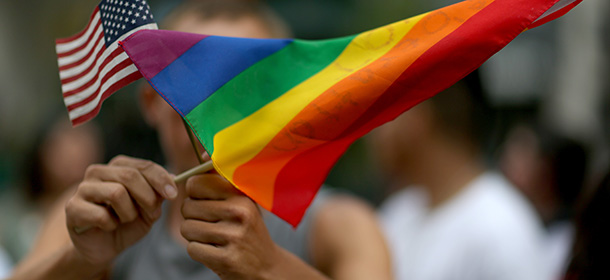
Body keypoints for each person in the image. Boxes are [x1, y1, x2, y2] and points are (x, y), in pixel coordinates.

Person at [9, 1, 391, 279]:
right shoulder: (98, 213)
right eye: (192, 84)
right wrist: (82, 260)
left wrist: (269, 267)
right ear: (150, 102)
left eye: (249, 85)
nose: (220, 110)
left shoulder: (338, 225)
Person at [371, 74, 549, 280]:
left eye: (384, 112)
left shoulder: (500, 229)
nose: (372, 131)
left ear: (417, 116)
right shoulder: (397, 213)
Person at [0, 114, 103, 262]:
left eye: (81, 142)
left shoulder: (103, 219)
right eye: (65, 142)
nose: (74, 153)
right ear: (42, 150)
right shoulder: (11, 213)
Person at [500, 122, 588, 278]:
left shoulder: (568, 245)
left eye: (519, 157)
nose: (504, 166)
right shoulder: (509, 223)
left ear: (546, 171)